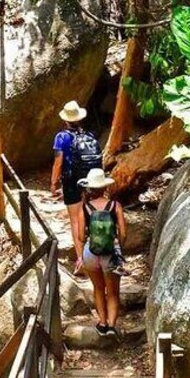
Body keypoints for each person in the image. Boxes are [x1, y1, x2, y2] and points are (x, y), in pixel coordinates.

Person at [50, 101, 102, 274]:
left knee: (75, 220)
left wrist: (53, 183)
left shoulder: (61, 137)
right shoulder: (90, 136)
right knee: (91, 217)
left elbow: (58, 162)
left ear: (66, 120)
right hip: (91, 181)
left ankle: (82, 261)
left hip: (72, 182)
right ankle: (99, 258)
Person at [76, 168, 127, 337]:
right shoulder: (115, 206)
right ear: (105, 187)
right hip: (110, 253)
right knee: (112, 292)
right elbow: (123, 233)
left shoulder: (84, 207)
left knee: (98, 288)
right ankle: (112, 326)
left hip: (91, 253)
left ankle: (102, 323)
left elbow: (80, 236)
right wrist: (119, 248)